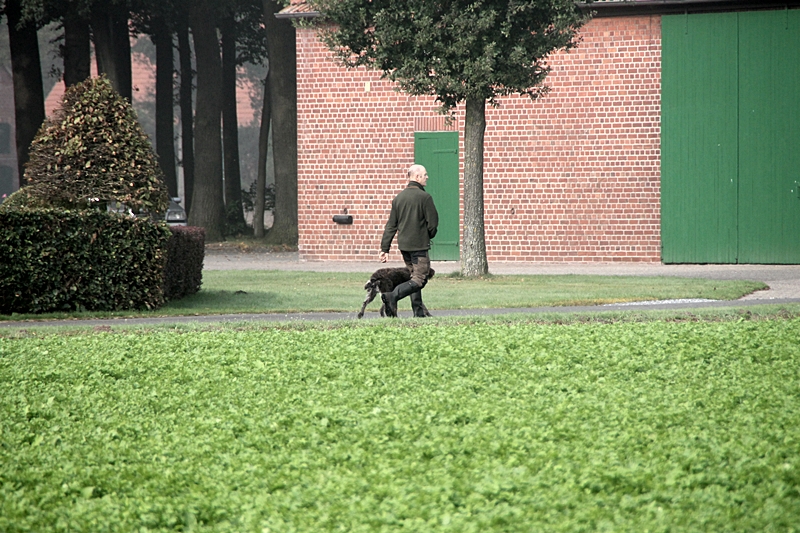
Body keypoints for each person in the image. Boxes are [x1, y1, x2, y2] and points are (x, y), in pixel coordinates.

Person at [379, 164, 439, 317]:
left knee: (414, 277)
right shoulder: (425, 197)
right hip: (419, 246)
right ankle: (392, 296)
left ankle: (418, 313)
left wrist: (384, 249)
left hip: (404, 246)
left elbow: (391, 225)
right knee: (420, 279)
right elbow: (433, 223)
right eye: (425, 175)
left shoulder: (398, 198)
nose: (427, 177)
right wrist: (428, 235)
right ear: (417, 177)